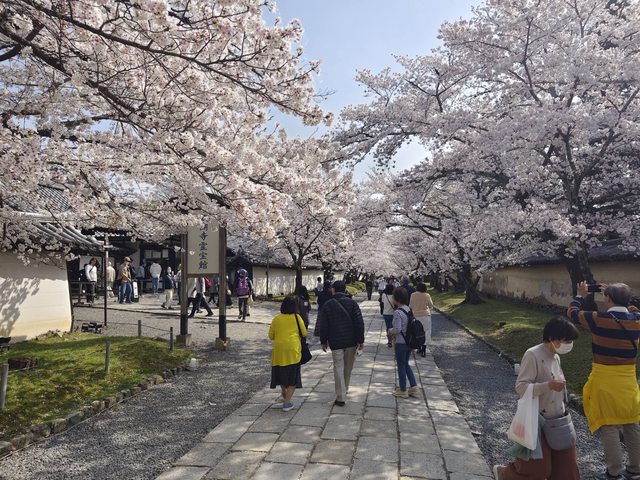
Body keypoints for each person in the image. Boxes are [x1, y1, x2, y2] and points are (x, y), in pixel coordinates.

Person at [567, 281, 640, 480]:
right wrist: (620, 298)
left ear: (607, 299)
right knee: (631, 423)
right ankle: (636, 469)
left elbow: (572, 313)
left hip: (605, 379)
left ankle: (614, 471)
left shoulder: (598, 318)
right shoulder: (636, 320)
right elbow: (634, 310)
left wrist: (580, 295)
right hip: (628, 381)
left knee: (610, 425)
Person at [493, 317, 580, 480]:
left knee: (567, 470)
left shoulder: (556, 356)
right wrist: (548, 385)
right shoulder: (532, 354)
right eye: (567, 340)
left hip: (559, 418)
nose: (569, 344)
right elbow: (521, 387)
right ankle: (504, 473)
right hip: (537, 418)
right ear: (553, 338)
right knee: (538, 469)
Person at [317, 281, 365, 407]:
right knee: (348, 367)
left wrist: (323, 341)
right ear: (345, 290)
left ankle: (341, 396)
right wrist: (360, 340)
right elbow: (359, 323)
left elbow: (324, 325)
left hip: (335, 341)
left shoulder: (328, 304)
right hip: (351, 341)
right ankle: (344, 391)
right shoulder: (352, 303)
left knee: (338, 367)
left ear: (333, 289)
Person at [269, 295, 307, 412]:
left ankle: (285, 393)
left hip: (279, 351)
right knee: (293, 378)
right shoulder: (297, 318)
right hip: (293, 351)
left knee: (280, 374)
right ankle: (287, 402)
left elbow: (271, 336)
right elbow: (304, 333)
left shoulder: (276, 319)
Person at [387, 287, 418, 398]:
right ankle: (413, 386)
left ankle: (403, 390)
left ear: (397, 299)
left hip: (400, 342)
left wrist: (389, 331)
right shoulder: (408, 309)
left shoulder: (397, 312)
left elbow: (397, 329)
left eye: (393, 297)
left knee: (401, 365)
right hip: (409, 341)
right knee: (405, 363)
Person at [409, 282, 434, 357]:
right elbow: (431, 305)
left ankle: (419, 347)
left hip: (416, 315)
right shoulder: (427, 295)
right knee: (426, 332)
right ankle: (424, 350)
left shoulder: (413, 295)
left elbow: (410, 305)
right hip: (426, 315)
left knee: (417, 332)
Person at [381, 284, 395, 348]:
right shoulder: (394, 296)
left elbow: (382, 302)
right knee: (392, 327)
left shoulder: (384, 295)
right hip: (393, 313)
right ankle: (391, 340)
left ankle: (389, 340)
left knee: (388, 327)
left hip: (386, 313)